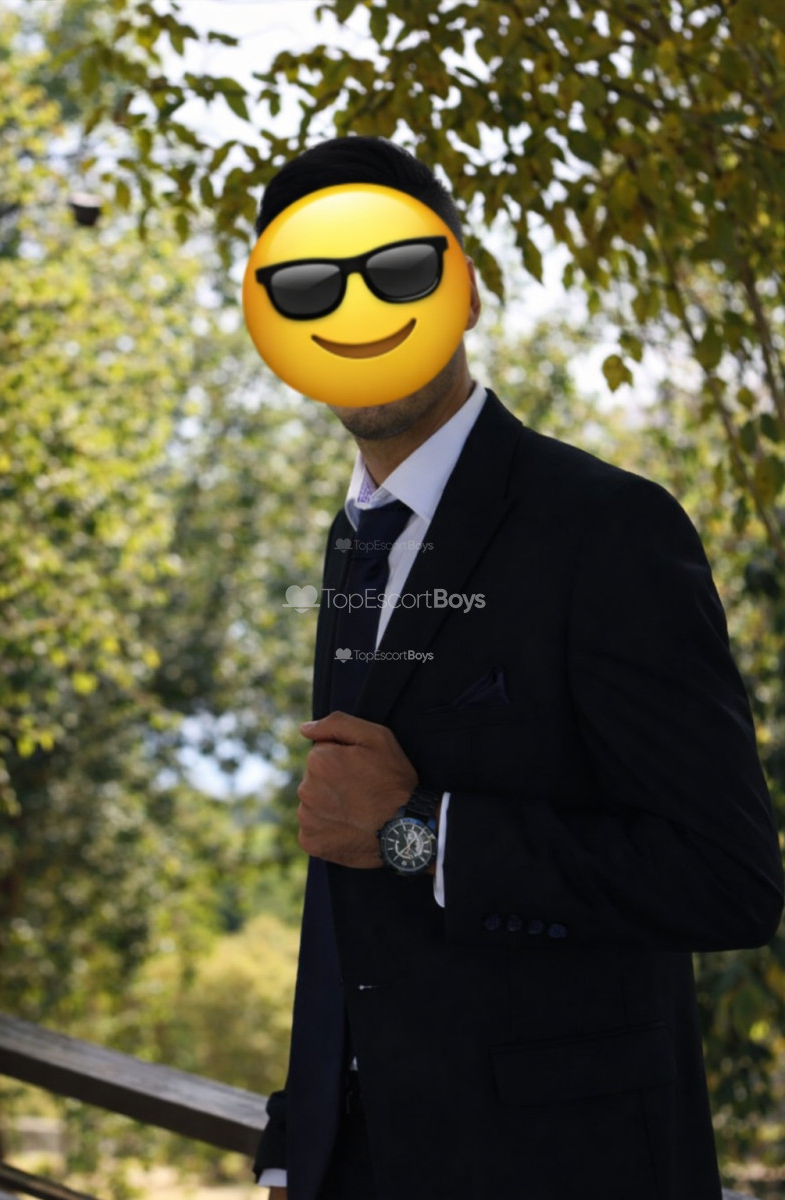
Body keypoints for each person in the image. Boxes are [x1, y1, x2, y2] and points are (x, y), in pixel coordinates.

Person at [250, 136, 784, 1200]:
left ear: (466, 292)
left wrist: (418, 833)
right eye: (309, 289)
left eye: (397, 273)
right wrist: (298, 1135)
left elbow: (728, 881)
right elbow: (348, 877)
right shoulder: (351, 544)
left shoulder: (610, 529)